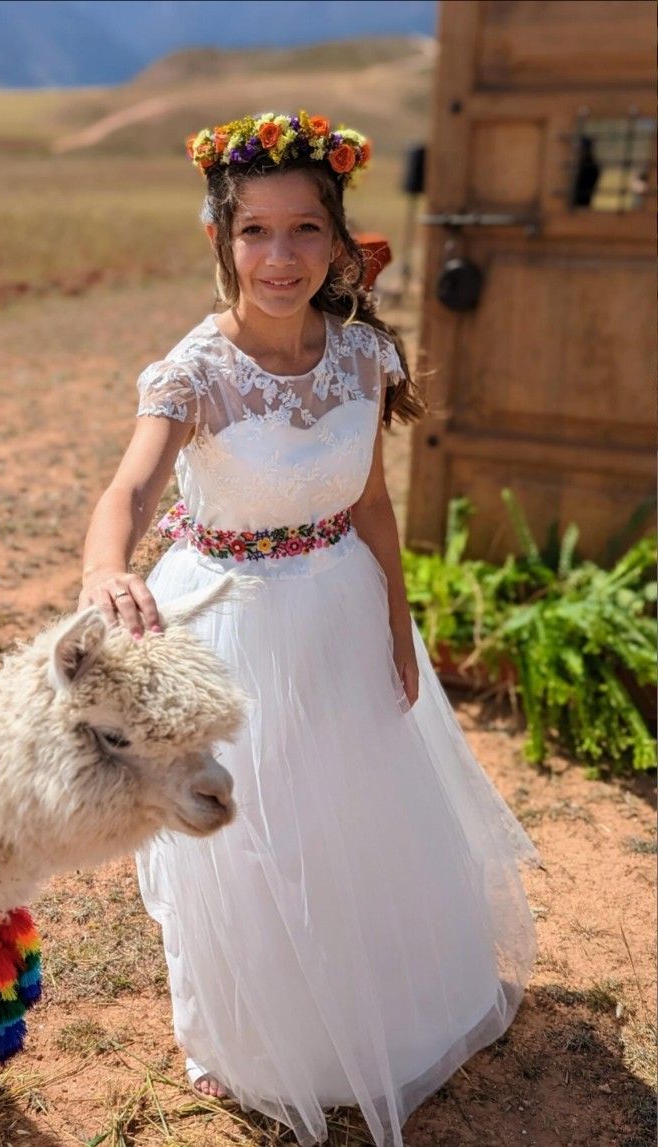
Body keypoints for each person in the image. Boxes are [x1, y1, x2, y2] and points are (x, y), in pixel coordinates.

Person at [78, 112, 537, 1147]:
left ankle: (385, 1013)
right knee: (252, 841)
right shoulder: (194, 372)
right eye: (254, 233)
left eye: (302, 232)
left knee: (354, 816)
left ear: (336, 241)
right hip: (230, 629)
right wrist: (105, 570)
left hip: (336, 607)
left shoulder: (362, 356)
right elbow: (130, 489)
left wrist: (396, 621)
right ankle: (261, 1038)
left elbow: (371, 502)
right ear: (219, 239)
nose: (278, 258)